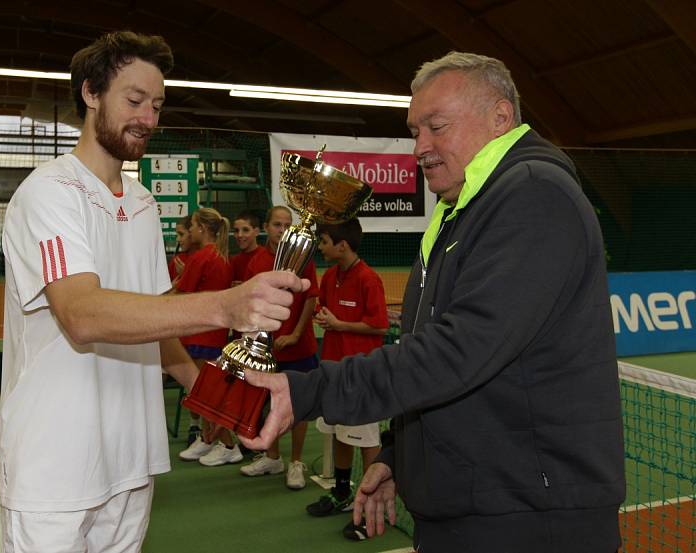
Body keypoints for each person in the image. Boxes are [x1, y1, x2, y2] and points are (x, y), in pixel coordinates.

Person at [242, 51, 626, 553]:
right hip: (475, 506)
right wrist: (401, 459)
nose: (419, 147)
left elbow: (459, 351)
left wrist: (308, 392)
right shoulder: (461, 210)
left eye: (436, 126)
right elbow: (440, 358)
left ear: (500, 118)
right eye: (414, 130)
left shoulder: (534, 197)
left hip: (528, 519)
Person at [0, 31, 308, 553]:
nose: (148, 117)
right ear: (91, 94)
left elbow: (159, 322)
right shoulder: (48, 193)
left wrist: (208, 398)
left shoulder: (142, 203)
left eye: (157, 105)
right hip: (55, 468)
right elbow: (81, 315)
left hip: (132, 462)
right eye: (134, 100)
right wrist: (226, 304)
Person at [307, 218, 389, 541]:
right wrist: (324, 317)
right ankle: (343, 493)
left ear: (342, 245)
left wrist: (341, 324)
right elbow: (324, 311)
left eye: (325, 241)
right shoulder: (329, 276)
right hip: (333, 371)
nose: (321, 246)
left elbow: (380, 326)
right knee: (339, 433)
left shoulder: (369, 279)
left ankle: (373, 511)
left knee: (368, 441)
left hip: (362, 375)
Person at [239, 206, 319, 490]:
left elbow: (311, 299)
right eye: (276, 224)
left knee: (300, 406)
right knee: (265, 402)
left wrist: (296, 334)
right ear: (266, 226)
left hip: (299, 347)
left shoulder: (304, 257)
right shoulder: (257, 260)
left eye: (287, 224)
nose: (282, 229)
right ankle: (272, 457)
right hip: (266, 350)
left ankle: (296, 462)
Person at [175, 207, 240, 466]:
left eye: (191, 226)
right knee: (203, 391)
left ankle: (228, 444)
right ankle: (206, 437)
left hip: (202, 334)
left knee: (204, 393)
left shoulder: (202, 257)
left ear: (202, 228)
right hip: (211, 333)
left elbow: (182, 295)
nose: (189, 231)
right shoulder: (219, 256)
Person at [230, 210, 261, 287]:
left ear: (256, 232)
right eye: (236, 231)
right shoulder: (234, 261)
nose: (240, 235)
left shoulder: (265, 257)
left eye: (245, 230)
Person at [167, 214, 193, 286]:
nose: (177, 239)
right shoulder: (177, 260)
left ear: (193, 232)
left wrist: (186, 275)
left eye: (181, 234)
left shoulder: (202, 259)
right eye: (177, 235)